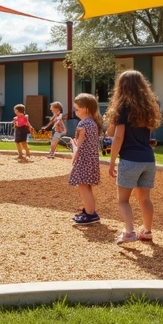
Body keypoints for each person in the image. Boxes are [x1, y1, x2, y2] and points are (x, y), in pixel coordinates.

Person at [105, 71, 162, 244]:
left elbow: (118, 137)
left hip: (130, 159)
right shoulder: (148, 107)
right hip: (148, 159)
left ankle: (129, 231)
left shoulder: (123, 108)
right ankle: (147, 231)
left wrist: (112, 161)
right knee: (145, 198)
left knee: (123, 200)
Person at [68, 93, 102, 225]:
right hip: (91, 159)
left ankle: (90, 213)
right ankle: (89, 210)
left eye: (77, 109)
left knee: (82, 186)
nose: (75, 111)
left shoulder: (83, 124)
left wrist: (74, 153)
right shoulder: (93, 123)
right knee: (86, 186)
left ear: (85, 109)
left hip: (84, 160)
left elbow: (79, 144)